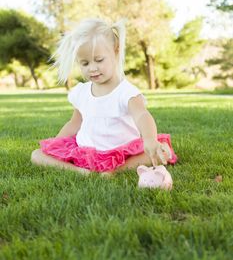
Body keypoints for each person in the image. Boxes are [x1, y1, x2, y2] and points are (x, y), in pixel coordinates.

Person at [31, 18, 177, 175]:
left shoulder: (126, 92)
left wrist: (149, 139)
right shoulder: (81, 92)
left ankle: (114, 171)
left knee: (161, 152)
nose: (92, 68)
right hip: (84, 152)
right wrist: (56, 144)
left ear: (115, 50)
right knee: (37, 155)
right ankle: (81, 172)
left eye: (99, 60)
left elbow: (142, 115)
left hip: (121, 154)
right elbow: (74, 123)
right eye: (85, 64)